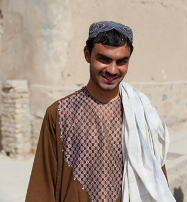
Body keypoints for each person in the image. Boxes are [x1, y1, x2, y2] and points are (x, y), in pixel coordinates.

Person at [26, 21, 176, 202]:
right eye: (104, 59)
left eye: (121, 61)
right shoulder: (59, 114)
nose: (112, 70)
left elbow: (156, 179)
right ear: (87, 55)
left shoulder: (141, 113)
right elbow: (43, 183)